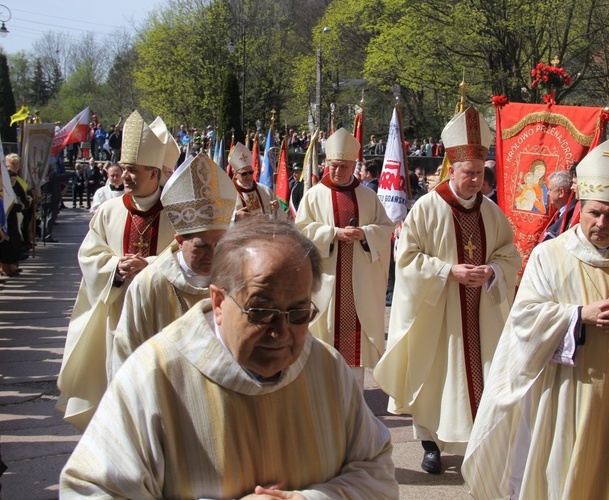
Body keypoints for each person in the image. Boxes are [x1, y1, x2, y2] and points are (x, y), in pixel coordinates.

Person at [59, 218, 399, 499]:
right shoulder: (156, 374)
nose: (281, 332)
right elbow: (92, 490)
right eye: (261, 311)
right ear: (218, 302)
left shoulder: (326, 368)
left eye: (298, 314)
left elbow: (376, 471)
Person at [462, 134, 609, 498]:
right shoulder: (551, 255)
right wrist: (579, 314)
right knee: (563, 469)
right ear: (581, 208)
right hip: (566, 386)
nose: (603, 222)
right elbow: (525, 317)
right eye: (595, 212)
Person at [373, 106, 521, 474]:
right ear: (451, 169)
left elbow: (510, 255)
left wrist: (491, 270)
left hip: (480, 314)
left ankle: (479, 443)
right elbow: (405, 259)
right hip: (437, 312)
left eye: (480, 174)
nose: (475, 180)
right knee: (435, 376)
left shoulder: (491, 213)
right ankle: (430, 444)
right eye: (468, 173)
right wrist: (446, 271)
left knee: (480, 377)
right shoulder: (426, 208)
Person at [56, 110, 175, 431]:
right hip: (116, 314)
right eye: (124, 169)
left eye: (134, 171)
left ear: (154, 173)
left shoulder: (177, 214)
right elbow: (90, 255)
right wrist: (116, 268)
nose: (125, 176)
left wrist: (148, 266)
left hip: (161, 316)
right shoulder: (108, 212)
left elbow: (188, 260)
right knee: (116, 393)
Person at [110, 152, 236, 378]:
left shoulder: (237, 280)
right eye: (201, 247)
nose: (213, 254)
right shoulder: (150, 284)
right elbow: (125, 353)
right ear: (179, 242)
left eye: (219, 244)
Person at [296, 128, 394, 387]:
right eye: (333, 165)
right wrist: (333, 233)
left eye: (343, 166)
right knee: (322, 347)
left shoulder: (368, 196)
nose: (337, 171)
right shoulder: (315, 195)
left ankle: (355, 405)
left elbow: (386, 228)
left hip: (358, 285)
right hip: (326, 284)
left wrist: (364, 233)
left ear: (354, 165)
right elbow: (301, 230)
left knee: (355, 351)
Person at [227, 141, 281, 219]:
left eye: (250, 172)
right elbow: (220, 218)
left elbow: (278, 217)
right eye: (244, 173)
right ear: (235, 174)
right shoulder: (229, 193)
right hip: (241, 231)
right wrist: (235, 216)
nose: (248, 176)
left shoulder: (265, 190)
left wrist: (276, 209)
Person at [538, 170, 576, 242]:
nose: (548, 193)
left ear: (561, 192)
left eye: (550, 190)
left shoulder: (571, 215)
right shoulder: (560, 213)